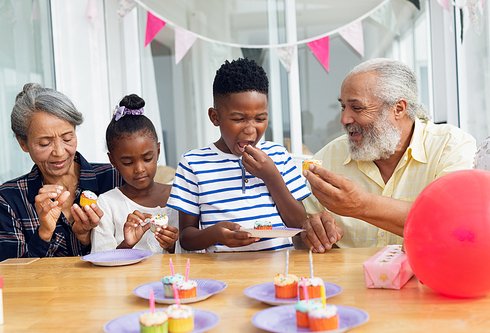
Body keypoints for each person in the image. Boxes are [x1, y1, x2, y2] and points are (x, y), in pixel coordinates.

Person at [300, 58, 477, 252]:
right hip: (347, 281)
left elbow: (451, 223)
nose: (344, 119)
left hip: (424, 280)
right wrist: (312, 230)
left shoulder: (450, 147)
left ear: (398, 109)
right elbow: (303, 234)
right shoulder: (328, 158)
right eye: (343, 106)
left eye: (357, 108)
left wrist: (363, 205)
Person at [167, 58, 311, 252]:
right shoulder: (193, 164)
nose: (251, 130)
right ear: (215, 117)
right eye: (238, 119)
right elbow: (186, 238)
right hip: (224, 274)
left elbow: (300, 223)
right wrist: (215, 234)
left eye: (260, 118)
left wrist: (271, 177)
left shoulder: (278, 156)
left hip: (279, 272)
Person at [0, 83, 122, 260]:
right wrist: (44, 234)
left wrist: (87, 240)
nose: (59, 152)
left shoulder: (113, 179)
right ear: (23, 143)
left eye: (67, 138)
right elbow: (10, 277)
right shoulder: (9, 200)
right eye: (44, 143)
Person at [91, 94, 179, 254]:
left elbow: (196, 256)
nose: (139, 169)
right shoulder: (107, 204)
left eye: (147, 158)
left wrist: (172, 246)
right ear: (113, 161)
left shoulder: (178, 195)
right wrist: (127, 244)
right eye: (128, 162)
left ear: (158, 152)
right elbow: (100, 263)